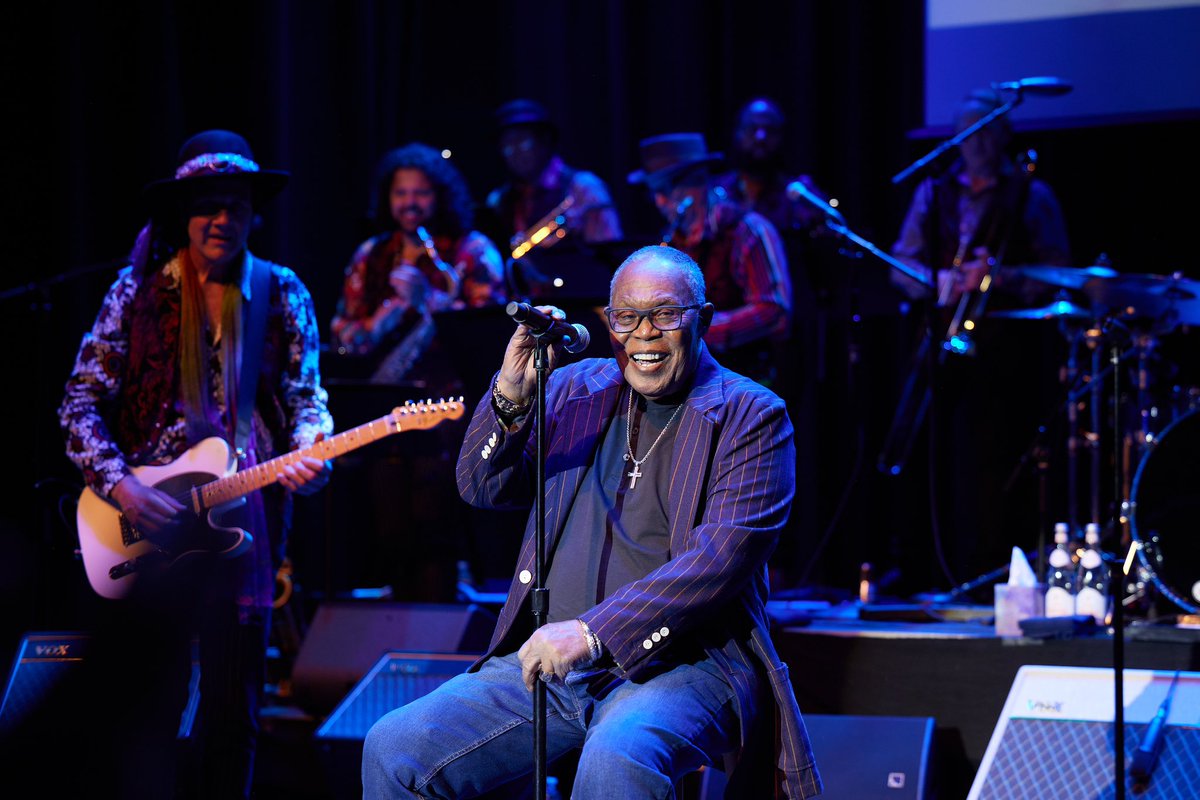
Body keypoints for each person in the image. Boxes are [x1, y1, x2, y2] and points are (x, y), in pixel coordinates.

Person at [362, 245, 822, 799]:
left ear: (704, 318)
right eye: (627, 317)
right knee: (394, 748)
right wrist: (511, 393)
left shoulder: (751, 415)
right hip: (552, 670)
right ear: (608, 321)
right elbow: (482, 486)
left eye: (667, 315)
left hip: (685, 667)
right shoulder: (575, 389)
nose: (645, 334)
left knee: (617, 757)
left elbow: (718, 562)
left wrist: (591, 634)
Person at [56, 129, 334, 799]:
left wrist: (311, 451)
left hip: (248, 523)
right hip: (148, 525)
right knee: (149, 707)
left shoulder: (282, 289)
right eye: (207, 205)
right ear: (183, 214)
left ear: (253, 213)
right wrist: (121, 486)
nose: (222, 219)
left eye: (235, 204)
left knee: (234, 709)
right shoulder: (137, 292)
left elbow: (306, 399)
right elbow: (78, 402)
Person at [883, 87, 1073, 593]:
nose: (981, 143)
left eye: (990, 131)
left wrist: (999, 278)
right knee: (932, 455)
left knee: (990, 467)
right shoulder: (933, 192)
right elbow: (901, 268)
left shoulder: (1032, 195)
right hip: (940, 345)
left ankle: (987, 573)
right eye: (971, 133)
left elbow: (1059, 272)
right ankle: (924, 569)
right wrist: (937, 279)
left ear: (1005, 134)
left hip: (1008, 350)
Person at [628, 132, 792, 388]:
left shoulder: (747, 231)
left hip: (749, 382)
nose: (659, 202)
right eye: (654, 193)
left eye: (666, 190)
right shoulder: (672, 242)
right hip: (691, 385)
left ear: (696, 185)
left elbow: (773, 310)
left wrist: (698, 330)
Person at [330, 141, 506, 378]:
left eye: (421, 193)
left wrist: (429, 300)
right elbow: (340, 337)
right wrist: (376, 324)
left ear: (440, 196)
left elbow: (489, 333)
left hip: (453, 394)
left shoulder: (474, 250)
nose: (409, 203)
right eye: (400, 193)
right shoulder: (370, 252)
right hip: (381, 391)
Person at [484, 98, 623, 256]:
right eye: (507, 147)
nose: (515, 153)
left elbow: (611, 255)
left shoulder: (584, 188)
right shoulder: (499, 200)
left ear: (545, 141)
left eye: (523, 143)